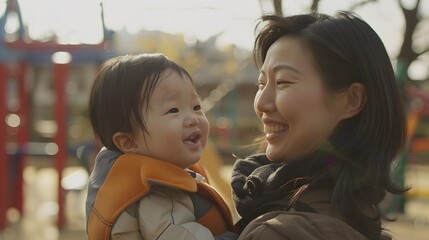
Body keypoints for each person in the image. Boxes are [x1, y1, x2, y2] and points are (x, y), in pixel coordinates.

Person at [231, 11, 406, 240]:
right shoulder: (360, 215)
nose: (261, 103)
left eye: (283, 81)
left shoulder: (279, 233)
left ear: (351, 100)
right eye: (261, 83)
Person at [85, 53, 237, 240]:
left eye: (196, 107)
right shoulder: (156, 191)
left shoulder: (142, 174)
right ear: (129, 141)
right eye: (173, 110)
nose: (193, 119)